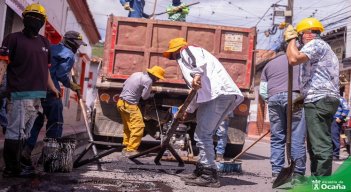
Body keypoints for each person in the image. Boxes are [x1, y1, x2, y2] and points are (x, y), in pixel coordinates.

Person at [163, 38, 244, 187]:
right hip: (216, 96)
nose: (173, 59)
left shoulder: (187, 51)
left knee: (203, 134)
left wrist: (197, 74)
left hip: (219, 94)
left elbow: (196, 65)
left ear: (175, 51)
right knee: (201, 133)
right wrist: (187, 110)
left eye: (172, 56)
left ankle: (209, 175)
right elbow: (196, 91)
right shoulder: (189, 63)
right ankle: (202, 170)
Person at [0, 3, 60, 178]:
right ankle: (11, 168)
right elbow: (3, 64)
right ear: (24, 18)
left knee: (25, 132)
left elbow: (46, 69)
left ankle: (19, 163)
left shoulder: (44, 42)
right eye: (30, 16)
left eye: (38, 17)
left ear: (43, 22)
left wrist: (53, 88)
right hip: (19, 94)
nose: (34, 20)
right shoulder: (12, 38)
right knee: (15, 131)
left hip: (37, 97)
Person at [21, 31, 86, 167]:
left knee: (36, 121)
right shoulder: (68, 55)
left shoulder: (50, 47)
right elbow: (61, 75)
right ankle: (48, 157)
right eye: (77, 45)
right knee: (55, 124)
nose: (78, 47)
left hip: (36, 88)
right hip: (52, 91)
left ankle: (25, 153)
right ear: (71, 42)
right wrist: (71, 85)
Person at [284, 18, 340, 176]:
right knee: (315, 144)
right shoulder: (319, 47)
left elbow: (293, 59)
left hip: (318, 99)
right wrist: (298, 104)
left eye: (299, 36)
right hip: (319, 98)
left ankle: (321, 183)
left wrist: (291, 40)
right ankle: (317, 180)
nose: (299, 41)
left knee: (319, 145)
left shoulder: (316, 44)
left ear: (307, 34)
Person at [259, 48, 306, 184]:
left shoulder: (269, 65)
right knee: (297, 135)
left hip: (274, 98)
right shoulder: (300, 60)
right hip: (296, 97)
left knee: (277, 136)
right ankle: (297, 174)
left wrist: (272, 100)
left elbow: (262, 90)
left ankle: (277, 173)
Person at [117, 66, 165, 156]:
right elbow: (144, 96)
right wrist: (151, 93)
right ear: (154, 76)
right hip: (130, 105)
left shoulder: (136, 74)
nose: (157, 80)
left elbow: (124, 84)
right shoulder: (148, 80)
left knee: (128, 127)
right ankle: (131, 150)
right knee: (139, 126)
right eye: (158, 78)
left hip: (120, 102)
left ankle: (126, 146)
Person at [331, 95, 349, 160]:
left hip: (336, 120)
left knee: (335, 137)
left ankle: (335, 155)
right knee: (328, 137)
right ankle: (329, 154)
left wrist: (341, 118)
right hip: (328, 120)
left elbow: (346, 109)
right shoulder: (328, 98)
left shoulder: (340, 99)